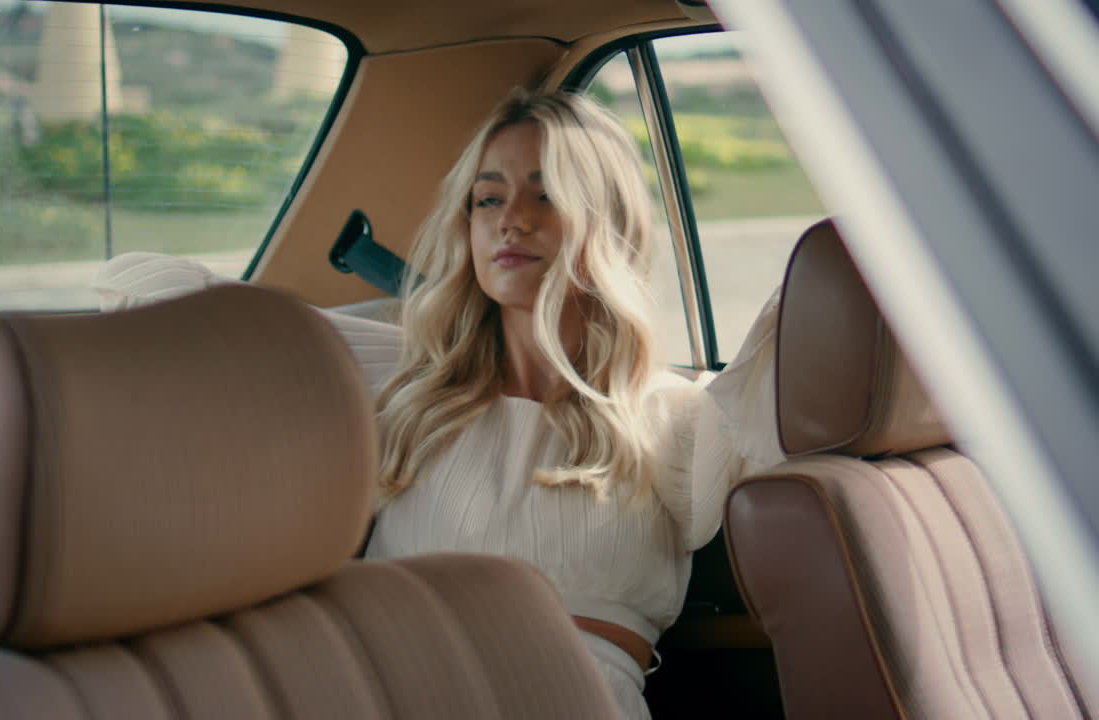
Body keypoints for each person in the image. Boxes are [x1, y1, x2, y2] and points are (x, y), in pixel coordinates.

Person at [92, 90, 783, 719]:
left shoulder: (672, 418)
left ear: (608, 222)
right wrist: (362, 326)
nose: (511, 220)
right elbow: (137, 292)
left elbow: (803, 354)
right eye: (488, 199)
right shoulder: (405, 383)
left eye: (547, 196)